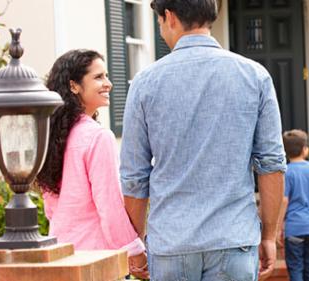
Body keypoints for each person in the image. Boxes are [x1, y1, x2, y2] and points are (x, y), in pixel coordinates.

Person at [119, 0, 286, 280]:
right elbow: (271, 164)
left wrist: (135, 242)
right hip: (233, 238)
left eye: (159, 22)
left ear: (169, 18)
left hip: (172, 241)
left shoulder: (144, 83)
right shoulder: (255, 76)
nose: (160, 30)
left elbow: (135, 176)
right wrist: (268, 234)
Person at [37, 49, 148, 279]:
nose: (108, 83)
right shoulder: (98, 137)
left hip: (61, 256)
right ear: (74, 86)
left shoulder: (51, 137)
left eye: (106, 76)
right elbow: (109, 207)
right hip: (96, 260)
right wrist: (135, 251)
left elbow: (50, 208)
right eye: (98, 77)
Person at [279, 130, 309, 281]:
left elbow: (284, 201)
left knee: (296, 269)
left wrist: (278, 227)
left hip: (294, 228)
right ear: (305, 149)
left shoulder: (287, 172)